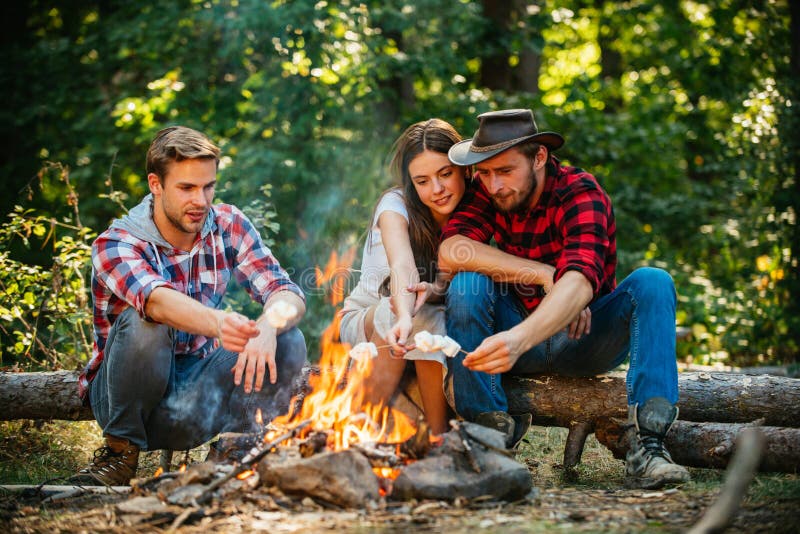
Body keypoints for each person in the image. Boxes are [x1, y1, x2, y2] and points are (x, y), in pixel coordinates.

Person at [439, 108, 690, 489]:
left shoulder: (580, 191)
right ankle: (487, 442)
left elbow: (581, 280)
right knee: (465, 284)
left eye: (505, 171)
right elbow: (452, 250)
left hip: (584, 341)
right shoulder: (489, 188)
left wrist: (520, 336)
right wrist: (542, 274)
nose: (493, 185)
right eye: (484, 173)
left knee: (653, 282)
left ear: (539, 157)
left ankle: (648, 447)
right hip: (517, 334)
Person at [72, 126, 307, 486]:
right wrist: (221, 323)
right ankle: (118, 458)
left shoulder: (229, 224)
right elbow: (158, 302)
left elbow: (286, 291)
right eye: (186, 188)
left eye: (208, 186)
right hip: (128, 399)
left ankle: (231, 455)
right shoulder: (116, 243)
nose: (200, 200)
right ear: (156, 184)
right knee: (145, 322)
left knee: (289, 338)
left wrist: (269, 327)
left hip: (197, 399)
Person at [339, 119, 467, 436]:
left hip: (437, 326)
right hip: (369, 319)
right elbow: (402, 265)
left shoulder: (476, 209)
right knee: (405, 312)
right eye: (422, 181)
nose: (436, 190)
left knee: (428, 316)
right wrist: (406, 316)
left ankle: (435, 443)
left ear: (463, 168)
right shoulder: (395, 206)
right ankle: (358, 435)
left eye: (445, 174)